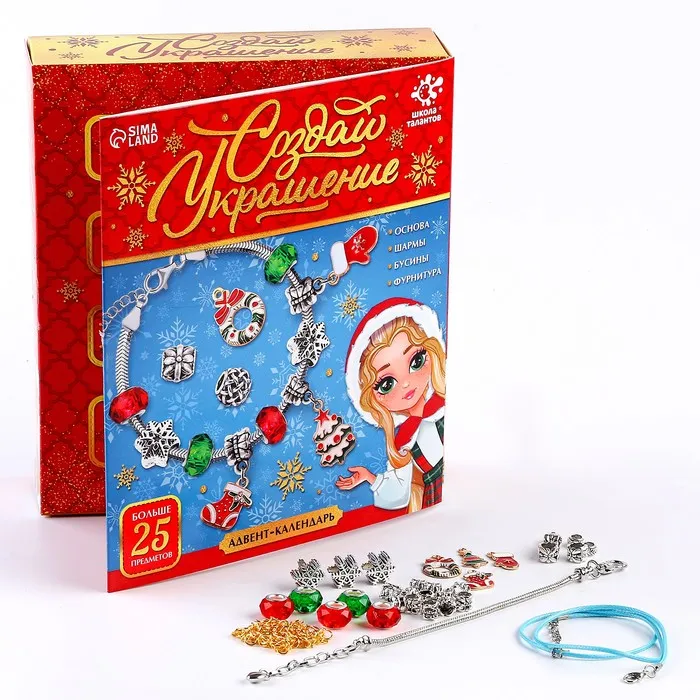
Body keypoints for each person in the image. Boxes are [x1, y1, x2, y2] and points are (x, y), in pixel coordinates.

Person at [336, 298, 446, 512]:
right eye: (386, 384)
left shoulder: (441, 406)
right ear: (372, 398)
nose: (405, 384)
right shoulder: (403, 440)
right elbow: (399, 491)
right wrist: (370, 478)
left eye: (416, 361)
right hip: (434, 497)